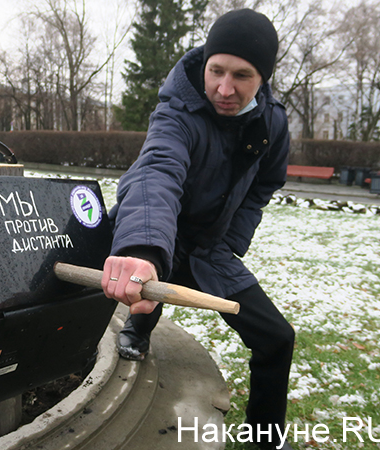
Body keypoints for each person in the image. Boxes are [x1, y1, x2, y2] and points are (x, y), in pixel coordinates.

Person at [101, 9, 295, 450]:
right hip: (161, 237)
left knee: (278, 339)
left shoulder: (273, 124)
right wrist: (145, 250)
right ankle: (138, 326)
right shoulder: (176, 113)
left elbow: (266, 183)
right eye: (216, 71)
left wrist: (232, 239)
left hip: (213, 249)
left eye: (242, 76)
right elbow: (156, 173)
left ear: (263, 78)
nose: (224, 89)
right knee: (145, 297)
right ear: (204, 63)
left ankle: (266, 437)